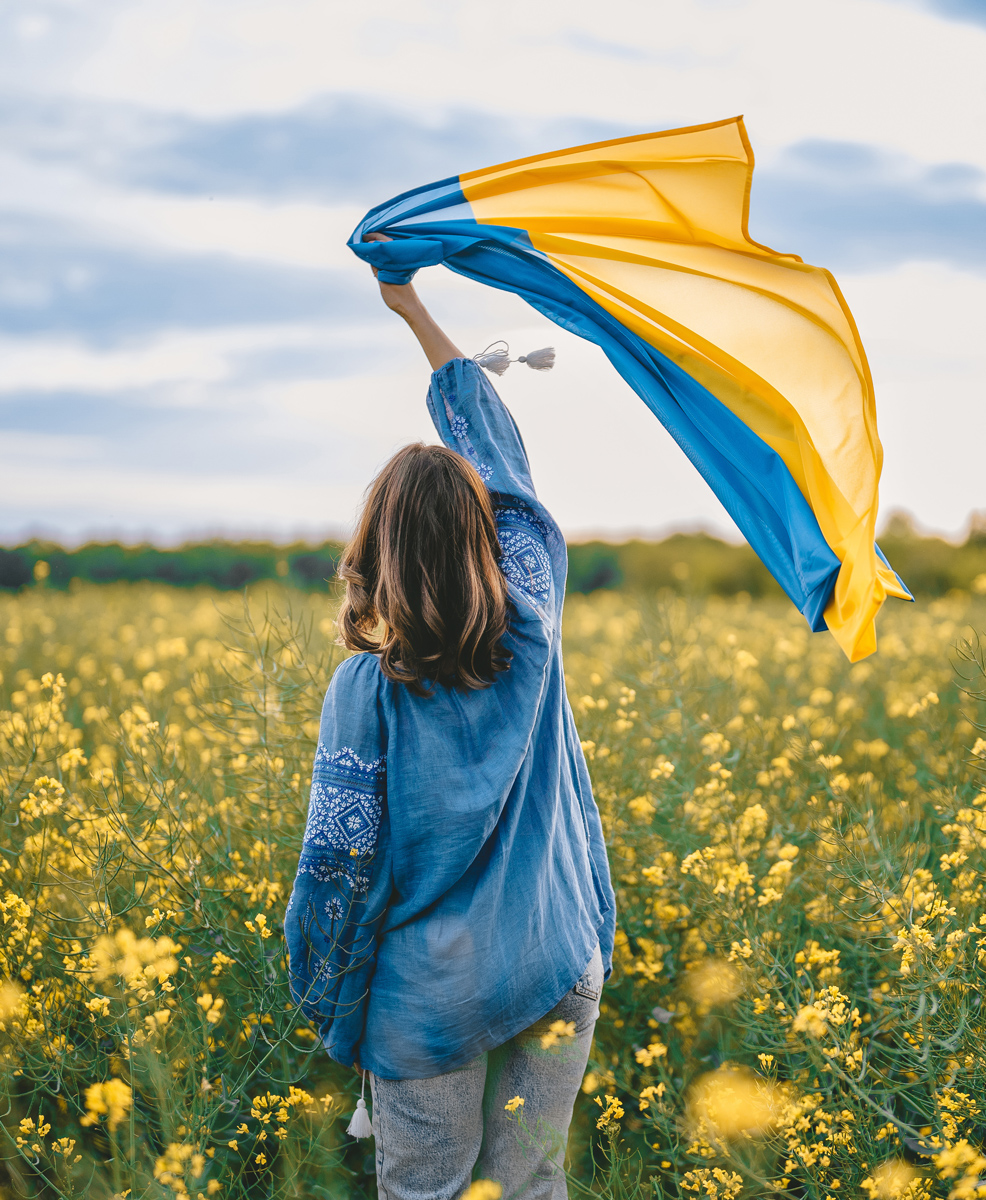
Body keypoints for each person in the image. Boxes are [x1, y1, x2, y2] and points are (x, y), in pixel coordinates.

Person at [284, 239, 616, 1200]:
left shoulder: (367, 692)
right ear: (486, 539)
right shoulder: (533, 624)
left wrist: (329, 1002)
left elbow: (338, 865)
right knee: (531, 1186)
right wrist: (413, 311)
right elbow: (503, 465)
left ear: (374, 550)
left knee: (424, 1192)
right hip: (558, 961)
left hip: (431, 998)